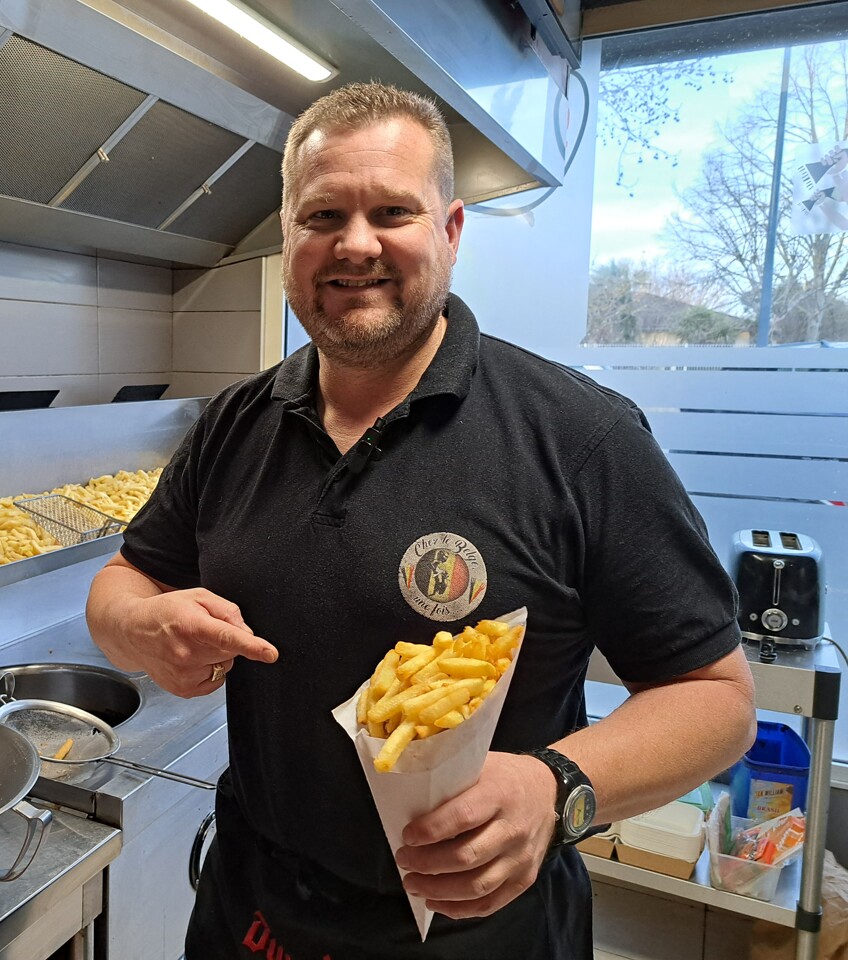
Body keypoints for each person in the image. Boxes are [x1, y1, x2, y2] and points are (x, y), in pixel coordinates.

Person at [85, 82, 756, 959]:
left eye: (392, 211)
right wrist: (141, 624)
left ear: (450, 230)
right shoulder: (233, 425)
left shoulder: (580, 437)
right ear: (288, 237)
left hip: (481, 927)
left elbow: (714, 699)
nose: (354, 244)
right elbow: (123, 581)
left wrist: (558, 788)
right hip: (255, 907)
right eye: (322, 213)